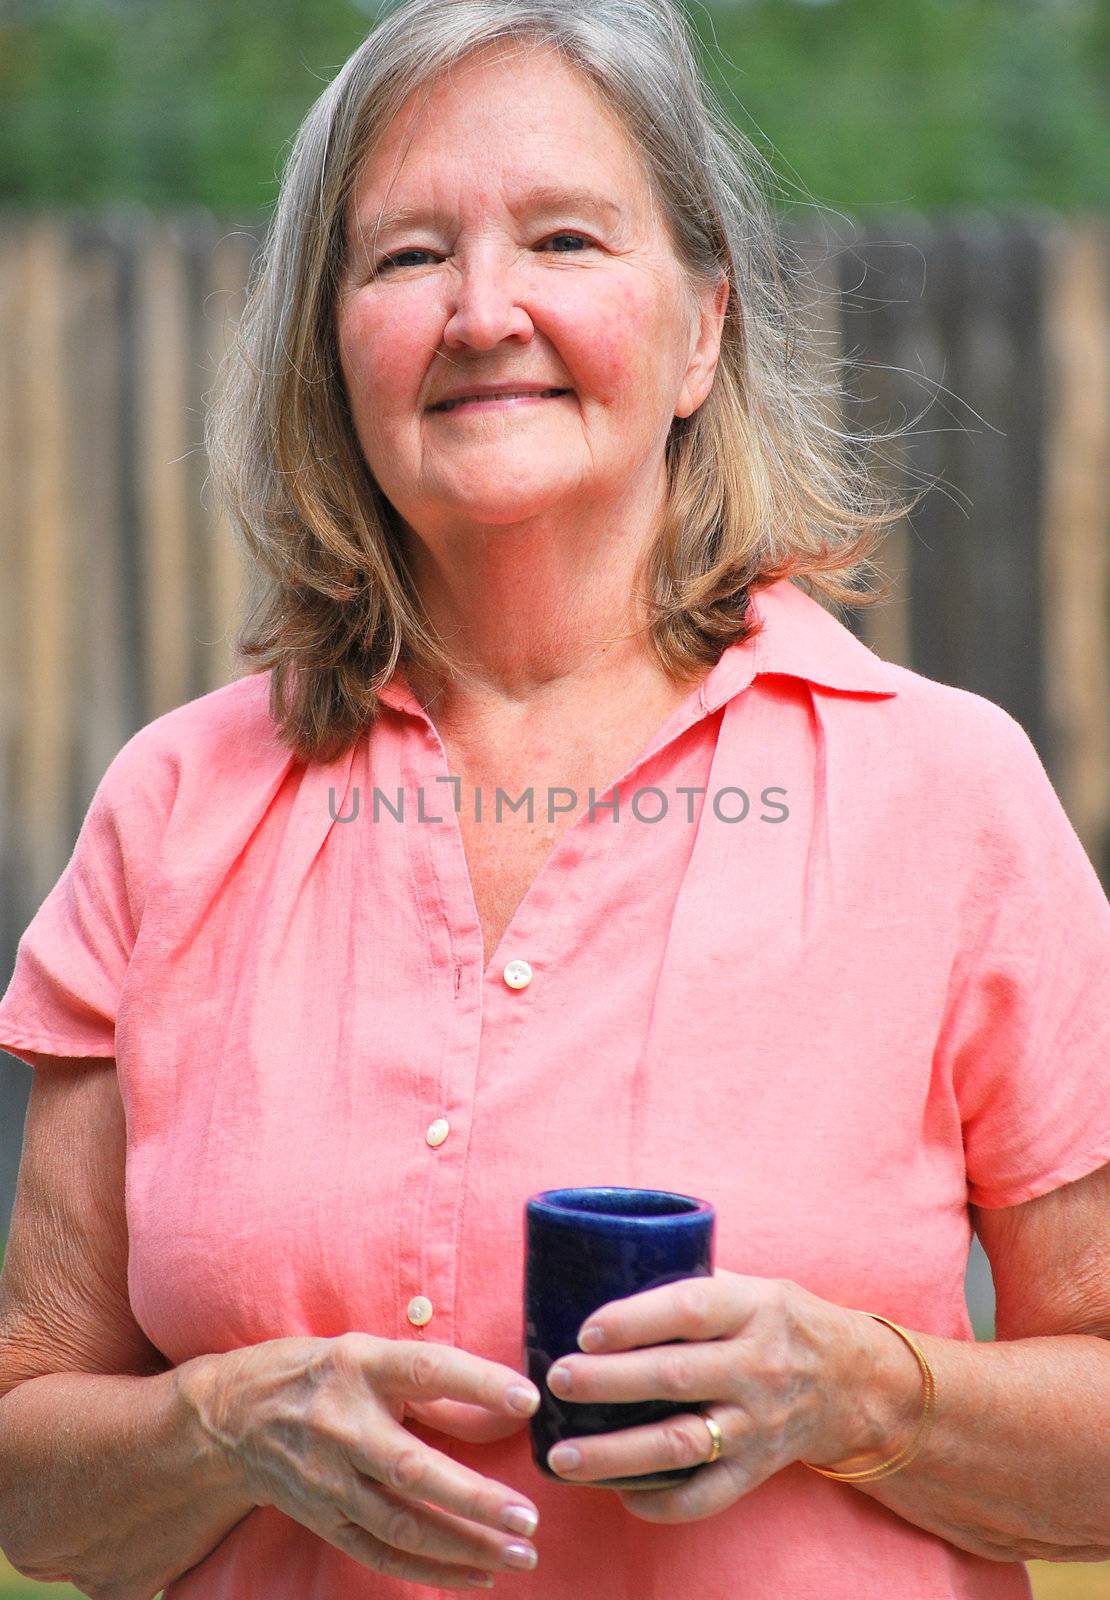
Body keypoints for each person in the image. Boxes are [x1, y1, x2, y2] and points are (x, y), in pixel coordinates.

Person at [0, 0, 1108, 1596]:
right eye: (401, 259)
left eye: (565, 240)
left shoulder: (941, 793)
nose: (479, 310)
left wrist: (860, 1393)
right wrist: (223, 1426)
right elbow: (35, 1484)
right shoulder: (175, 805)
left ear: (702, 327)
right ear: (329, 348)